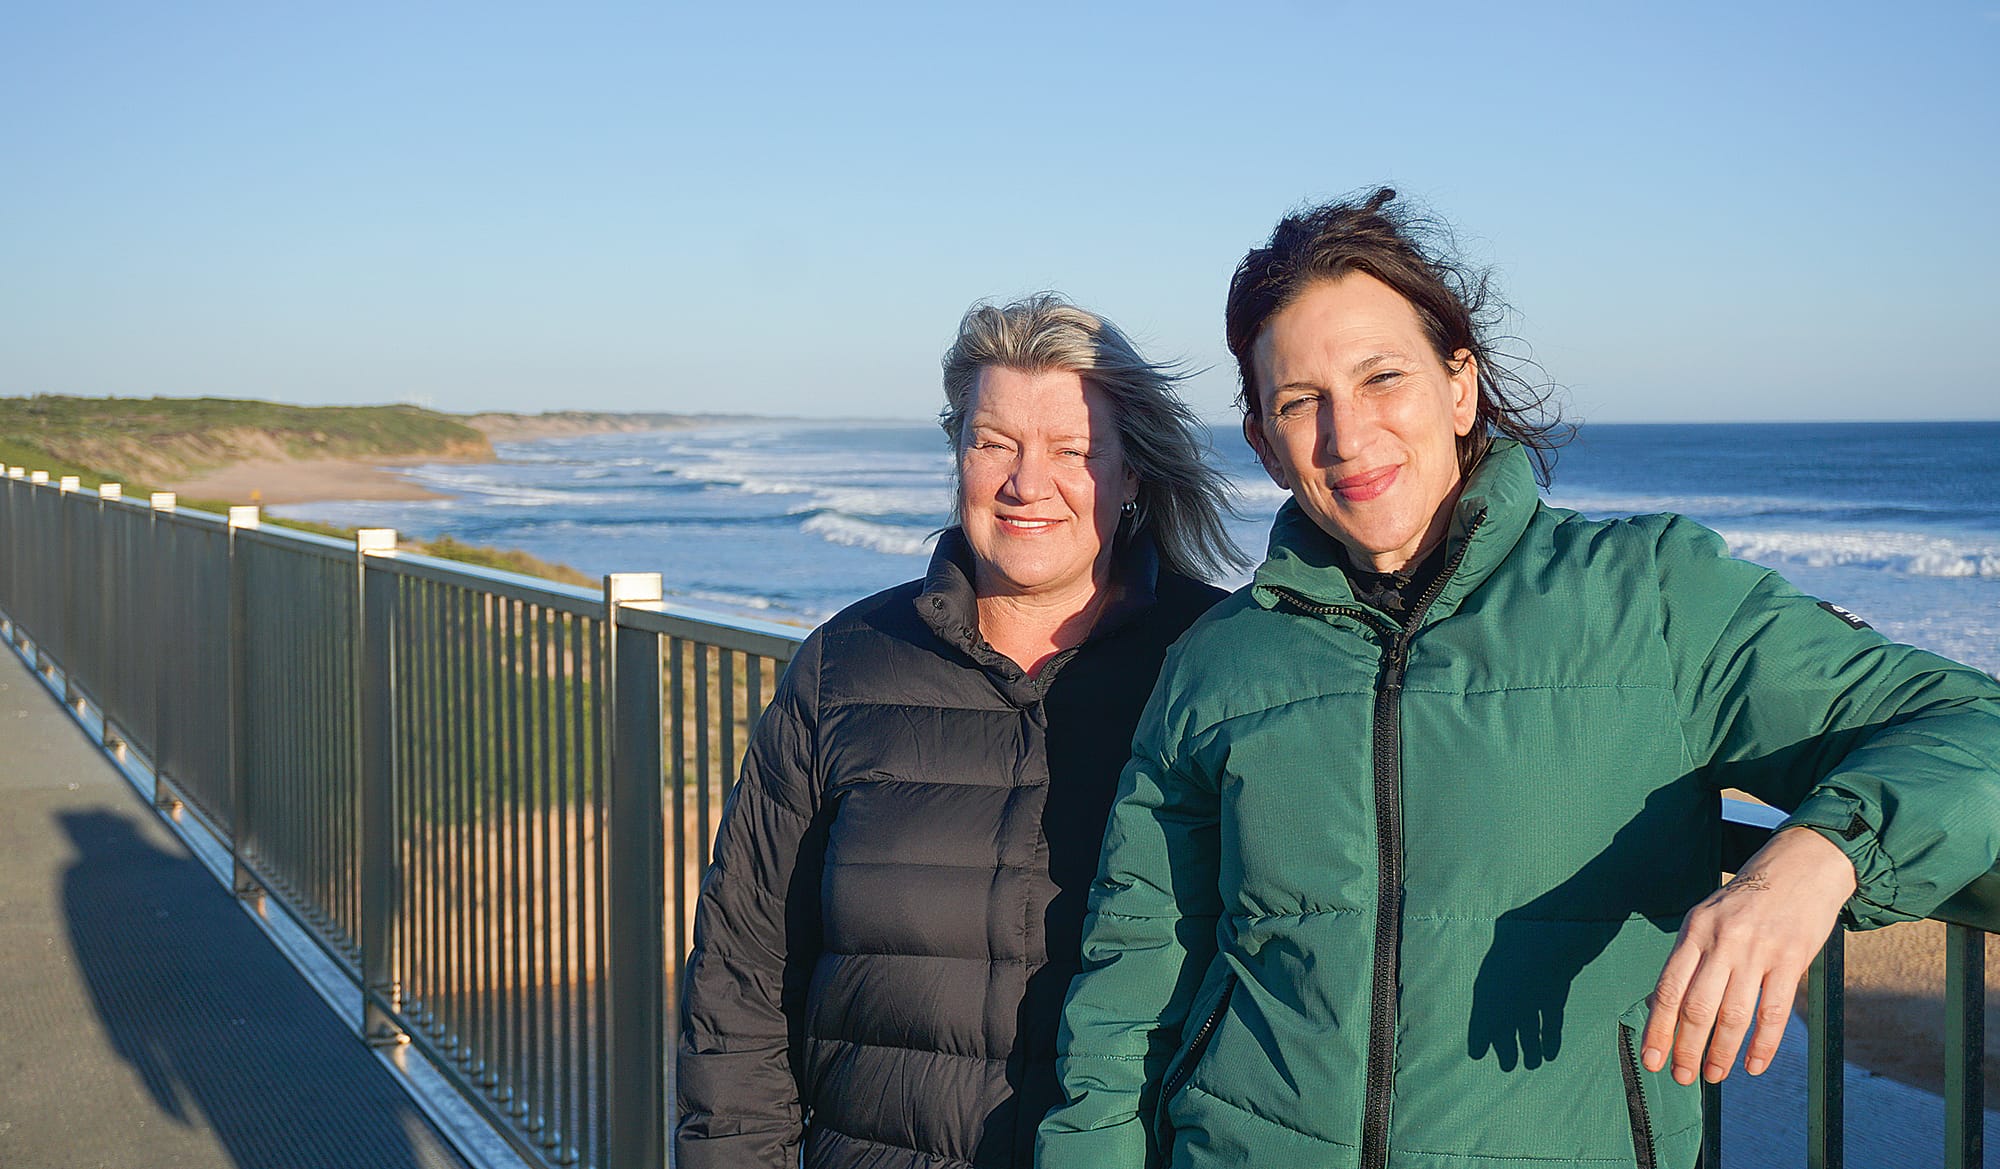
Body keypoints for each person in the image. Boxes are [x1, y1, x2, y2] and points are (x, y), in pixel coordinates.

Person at [1038, 189, 2000, 1169]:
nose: (1346, 435)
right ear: (1263, 444)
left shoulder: (1651, 597)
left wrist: (1813, 858)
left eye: (1381, 377)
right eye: (1299, 402)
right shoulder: (1218, 658)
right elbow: (1131, 985)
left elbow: (1974, 724)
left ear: (1458, 387)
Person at [674, 294, 1243, 1169]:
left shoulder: (1217, 664)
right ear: (958, 453)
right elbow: (742, 972)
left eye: (1073, 450)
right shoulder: (844, 667)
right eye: (994, 442)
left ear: (1132, 474)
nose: (1027, 483)